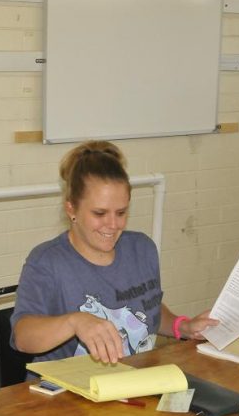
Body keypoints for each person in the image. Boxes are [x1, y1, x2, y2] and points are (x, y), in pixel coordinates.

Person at [11, 141, 219, 366]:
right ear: (71, 208)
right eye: (99, 213)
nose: (112, 224)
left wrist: (183, 327)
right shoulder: (48, 261)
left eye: (121, 212)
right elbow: (23, 337)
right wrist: (74, 322)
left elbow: (148, 309)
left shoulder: (142, 248)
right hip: (68, 394)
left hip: (136, 382)